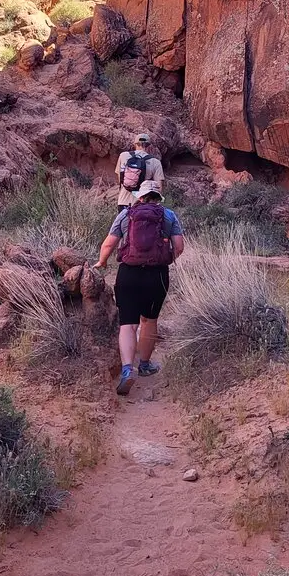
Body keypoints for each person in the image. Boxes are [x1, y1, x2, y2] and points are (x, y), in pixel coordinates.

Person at [95, 180, 184, 396]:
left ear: (140, 196)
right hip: (157, 276)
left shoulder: (126, 215)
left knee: (128, 324)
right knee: (149, 320)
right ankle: (144, 364)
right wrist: (163, 261)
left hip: (129, 274)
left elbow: (108, 244)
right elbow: (179, 247)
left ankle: (127, 369)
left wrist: (102, 262)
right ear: (158, 197)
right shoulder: (169, 216)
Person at [114, 132, 164, 209]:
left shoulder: (123, 156)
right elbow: (158, 187)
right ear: (149, 146)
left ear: (135, 144)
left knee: (123, 221)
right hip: (143, 203)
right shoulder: (155, 162)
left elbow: (120, 179)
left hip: (123, 201)